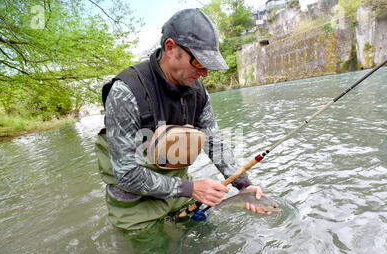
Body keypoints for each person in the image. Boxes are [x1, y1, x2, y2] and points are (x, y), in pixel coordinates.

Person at [95, 8, 267, 234]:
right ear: (169, 48)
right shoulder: (125, 93)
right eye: (198, 62)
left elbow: (214, 142)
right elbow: (126, 175)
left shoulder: (198, 92)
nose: (205, 73)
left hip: (179, 193)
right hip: (135, 203)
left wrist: (244, 185)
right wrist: (192, 188)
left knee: (206, 242)